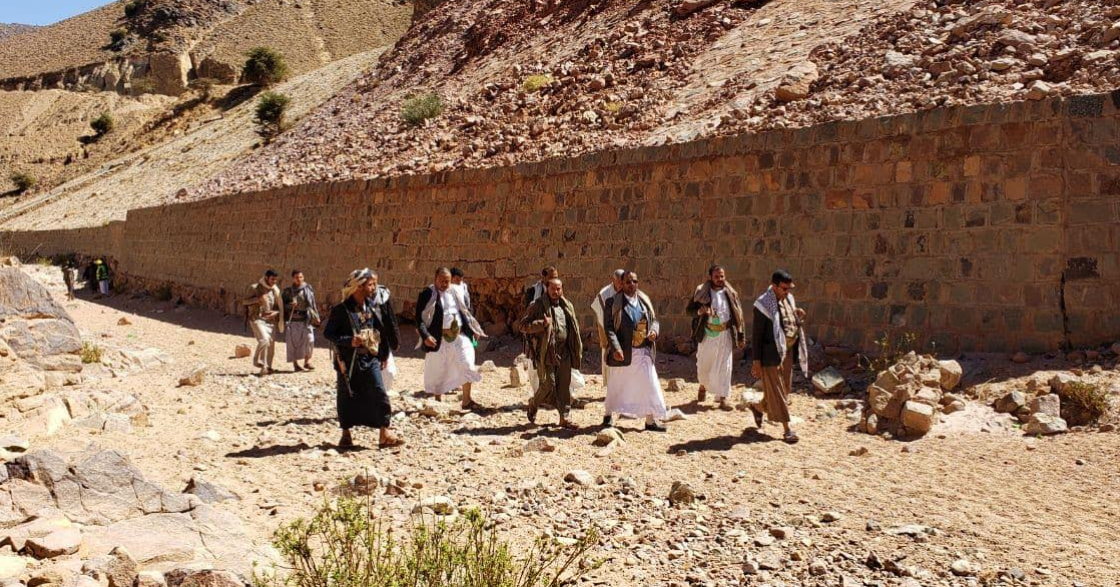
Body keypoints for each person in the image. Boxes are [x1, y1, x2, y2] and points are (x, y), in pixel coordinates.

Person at [323, 268, 403, 449]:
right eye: (370, 284)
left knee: (379, 391)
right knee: (347, 396)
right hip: (349, 362)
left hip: (370, 358)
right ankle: (346, 434)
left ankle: (384, 433)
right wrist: (348, 341)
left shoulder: (372, 306)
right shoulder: (341, 310)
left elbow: (380, 331)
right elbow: (329, 334)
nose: (374, 287)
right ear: (359, 287)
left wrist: (383, 354)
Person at [604, 271, 668, 432]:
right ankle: (608, 414)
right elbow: (609, 328)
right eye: (628, 282)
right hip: (624, 352)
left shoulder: (644, 301)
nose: (631, 285)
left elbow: (654, 321)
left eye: (634, 281)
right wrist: (616, 348)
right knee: (617, 385)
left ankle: (650, 420)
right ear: (621, 284)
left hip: (643, 351)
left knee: (649, 384)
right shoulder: (613, 303)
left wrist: (654, 332)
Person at [750, 269, 809, 444]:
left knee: (785, 390)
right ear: (774, 286)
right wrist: (756, 362)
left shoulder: (788, 300)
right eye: (784, 288)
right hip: (770, 355)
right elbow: (757, 335)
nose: (787, 292)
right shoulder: (762, 305)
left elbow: (786, 322)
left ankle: (758, 407)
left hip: (787, 352)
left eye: (789, 289)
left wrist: (797, 315)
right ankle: (787, 430)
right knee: (778, 392)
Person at [416, 267, 486, 409]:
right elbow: (419, 318)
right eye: (441, 281)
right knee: (438, 369)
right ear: (435, 279)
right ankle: (437, 401)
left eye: (447, 281)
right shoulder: (428, 294)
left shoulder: (456, 291)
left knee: (467, 362)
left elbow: (465, 311)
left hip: (459, 336)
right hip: (438, 338)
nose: (444, 284)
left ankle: (466, 400)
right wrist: (426, 336)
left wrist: (473, 329)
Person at [518, 278, 583, 428]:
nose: (556, 292)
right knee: (548, 384)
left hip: (564, 351)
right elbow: (523, 325)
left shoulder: (567, 306)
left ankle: (564, 417)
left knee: (563, 385)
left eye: (558, 289)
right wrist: (541, 324)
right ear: (547, 288)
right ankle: (534, 403)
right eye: (553, 289)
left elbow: (573, 328)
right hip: (546, 351)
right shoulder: (537, 305)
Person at [687, 265, 746, 410]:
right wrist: (700, 311)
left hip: (725, 334)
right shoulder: (702, 293)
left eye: (722, 276)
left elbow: (739, 315)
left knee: (725, 366)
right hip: (708, 334)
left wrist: (740, 335)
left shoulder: (730, 293)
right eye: (717, 277)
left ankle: (723, 397)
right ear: (711, 277)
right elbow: (689, 311)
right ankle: (702, 386)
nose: (720, 279)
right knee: (704, 365)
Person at [591, 269, 626, 425]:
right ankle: (609, 411)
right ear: (614, 280)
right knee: (611, 371)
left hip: (625, 340)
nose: (621, 285)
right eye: (619, 282)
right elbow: (603, 319)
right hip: (610, 338)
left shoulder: (629, 291)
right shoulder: (604, 294)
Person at [242, 269, 284, 376]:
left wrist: (276, 313)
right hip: (257, 319)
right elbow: (244, 301)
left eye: (276, 280)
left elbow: (278, 307)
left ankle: (266, 368)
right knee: (264, 340)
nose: (274, 282)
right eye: (272, 279)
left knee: (270, 346)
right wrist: (257, 299)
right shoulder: (254, 287)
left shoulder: (275, 290)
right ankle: (256, 360)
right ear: (266, 277)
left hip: (271, 321)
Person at [369, 271, 401, 390]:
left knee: (388, 372)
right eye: (369, 284)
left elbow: (390, 319)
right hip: (366, 340)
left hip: (381, 339)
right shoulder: (357, 300)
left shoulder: (383, 296)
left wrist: (395, 339)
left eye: (374, 283)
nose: (372, 287)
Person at [282, 270, 318, 372]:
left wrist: (316, 316)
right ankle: (295, 364)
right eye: (297, 277)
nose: (299, 279)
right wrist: (290, 305)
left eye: (301, 277)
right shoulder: (288, 292)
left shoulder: (308, 289)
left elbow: (312, 303)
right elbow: (281, 305)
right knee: (293, 343)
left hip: (306, 319)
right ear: (293, 278)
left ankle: (307, 362)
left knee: (310, 340)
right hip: (293, 320)